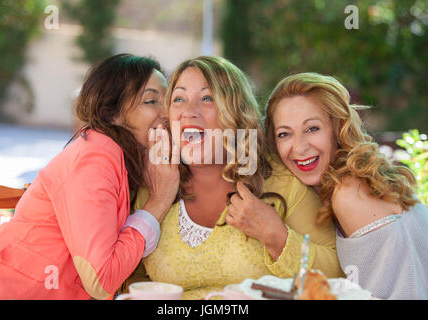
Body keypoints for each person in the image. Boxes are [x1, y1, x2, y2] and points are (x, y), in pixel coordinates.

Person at [124, 56, 344, 300]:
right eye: (179, 99)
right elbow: (130, 276)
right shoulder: (152, 184)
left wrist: (278, 239)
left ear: (236, 112)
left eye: (207, 98)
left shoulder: (280, 181)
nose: (189, 112)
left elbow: (336, 273)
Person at [0, 54, 179, 299]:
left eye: (167, 100)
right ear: (111, 114)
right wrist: (157, 203)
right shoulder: (96, 159)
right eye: (151, 101)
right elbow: (100, 281)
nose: (167, 113)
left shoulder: (118, 157)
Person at [265, 72, 428, 299]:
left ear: (337, 128)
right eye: (284, 134)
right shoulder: (362, 175)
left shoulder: (348, 193)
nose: (299, 147)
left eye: (312, 128)